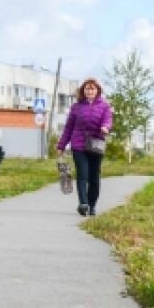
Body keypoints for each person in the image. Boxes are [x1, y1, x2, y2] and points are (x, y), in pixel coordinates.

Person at [57, 78, 113, 216]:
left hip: (96, 145)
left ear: (98, 91)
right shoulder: (76, 107)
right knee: (82, 174)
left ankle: (92, 204)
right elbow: (69, 127)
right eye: (87, 88)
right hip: (79, 145)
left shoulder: (104, 106)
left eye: (93, 88)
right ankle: (83, 203)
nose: (90, 91)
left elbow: (108, 119)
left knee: (94, 177)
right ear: (83, 90)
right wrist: (61, 145)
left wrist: (105, 127)